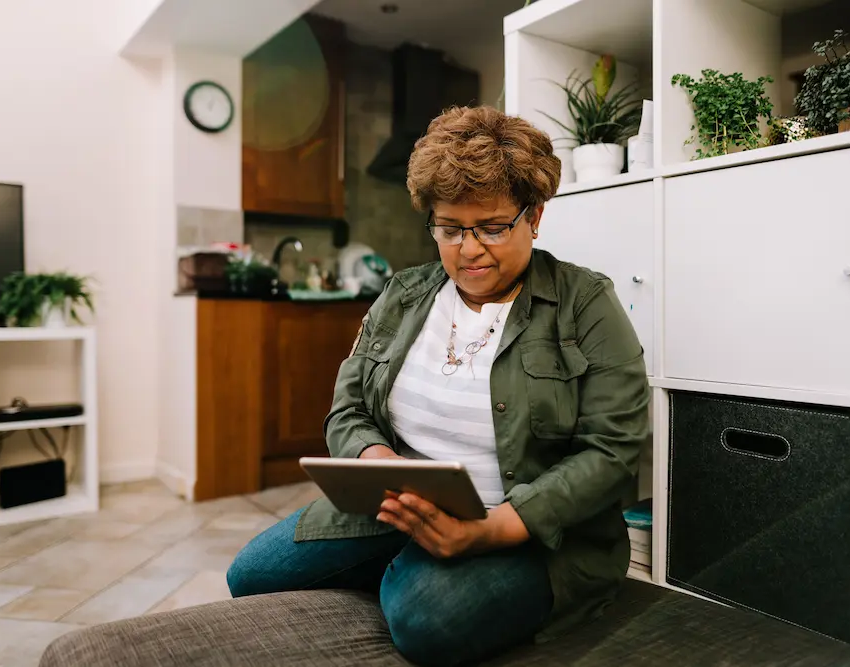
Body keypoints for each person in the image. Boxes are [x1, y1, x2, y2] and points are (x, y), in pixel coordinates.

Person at [226, 105, 651, 666]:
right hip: (397, 506)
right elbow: (348, 409)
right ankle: (413, 554)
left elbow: (613, 450)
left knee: (426, 620)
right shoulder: (403, 295)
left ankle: (426, 570)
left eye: (492, 228)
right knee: (251, 572)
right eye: (450, 229)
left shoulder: (584, 304)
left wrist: (494, 529)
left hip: (530, 530)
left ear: (536, 217)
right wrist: (376, 462)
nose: (469, 249)